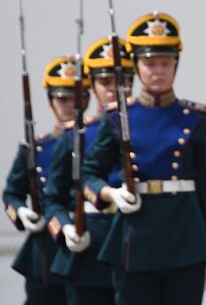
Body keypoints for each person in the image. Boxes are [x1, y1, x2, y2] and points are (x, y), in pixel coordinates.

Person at [82, 12, 206, 305]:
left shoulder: (194, 119)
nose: (158, 70)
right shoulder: (118, 118)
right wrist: (111, 194)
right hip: (134, 238)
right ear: (136, 66)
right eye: (150, 63)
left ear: (175, 65)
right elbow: (89, 174)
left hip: (185, 239)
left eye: (165, 63)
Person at [44, 37, 135, 304]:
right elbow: (53, 198)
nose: (114, 89)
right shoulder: (75, 134)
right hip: (90, 247)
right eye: (105, 82)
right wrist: (64, 228)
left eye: (122, 80)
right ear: (92, 88)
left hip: (135, 245)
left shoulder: (145, 125)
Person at [3, 55, 90, 305]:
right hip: (47, 250)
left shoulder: (97, 143)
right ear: (51, 101)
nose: (70, 105)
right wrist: (21, 213)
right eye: (63, 99)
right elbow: (11, 193)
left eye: (77, 98)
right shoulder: (36, 148)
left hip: (88, 245)